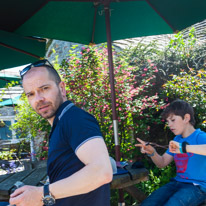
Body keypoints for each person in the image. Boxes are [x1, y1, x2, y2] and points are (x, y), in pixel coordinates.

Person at [9, 59, 113, 206]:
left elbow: (101, 171)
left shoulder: (75, 118)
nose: (38, 99)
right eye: (30, 94)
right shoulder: (61, 122)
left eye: (44, 88)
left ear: (62, 88)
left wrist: (41, 194)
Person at [136, 99, 206, 206]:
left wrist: (183, 148)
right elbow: (162, 163)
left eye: (173, 120)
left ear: (186, 118)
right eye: (168, 122)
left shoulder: (200, 137)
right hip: (176, 184)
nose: (169, 125)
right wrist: (152, 152)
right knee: (148, 203)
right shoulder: (177, 139)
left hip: (197, 187)